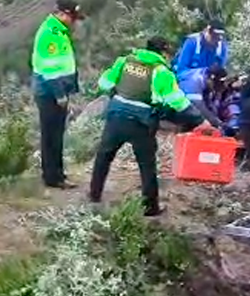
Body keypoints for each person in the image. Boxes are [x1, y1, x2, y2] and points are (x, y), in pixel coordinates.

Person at [87, 36, 208, 216]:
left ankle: (94, 195)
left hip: (116, 115)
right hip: (141, 122)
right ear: (164, 53)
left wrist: (119, 93)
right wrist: (200, 120)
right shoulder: (161, 72)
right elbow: (177, 101)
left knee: (104, 156)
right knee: (147, 165)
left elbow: (104, 83)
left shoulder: (124, 61)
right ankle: (150, 208)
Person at [31, 0, 85, 189]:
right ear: (62, 14)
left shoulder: (59, 31)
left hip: (57, 91)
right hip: (49, 93)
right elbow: (49, 69)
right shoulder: (50, 34)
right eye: (73, 17)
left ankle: (57, 173)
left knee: (57, 134)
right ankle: (53, 177)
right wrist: (60, 95)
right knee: (51, 135)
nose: (74, 22)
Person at [176, 64, 227, 129]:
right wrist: (217, 123)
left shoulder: (206, 79)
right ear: (211, 79)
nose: (214, 88)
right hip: (174, 108)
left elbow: (208, 105)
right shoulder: (194, 81)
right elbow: (199, 106)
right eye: (215, 84)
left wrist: (219, 121)